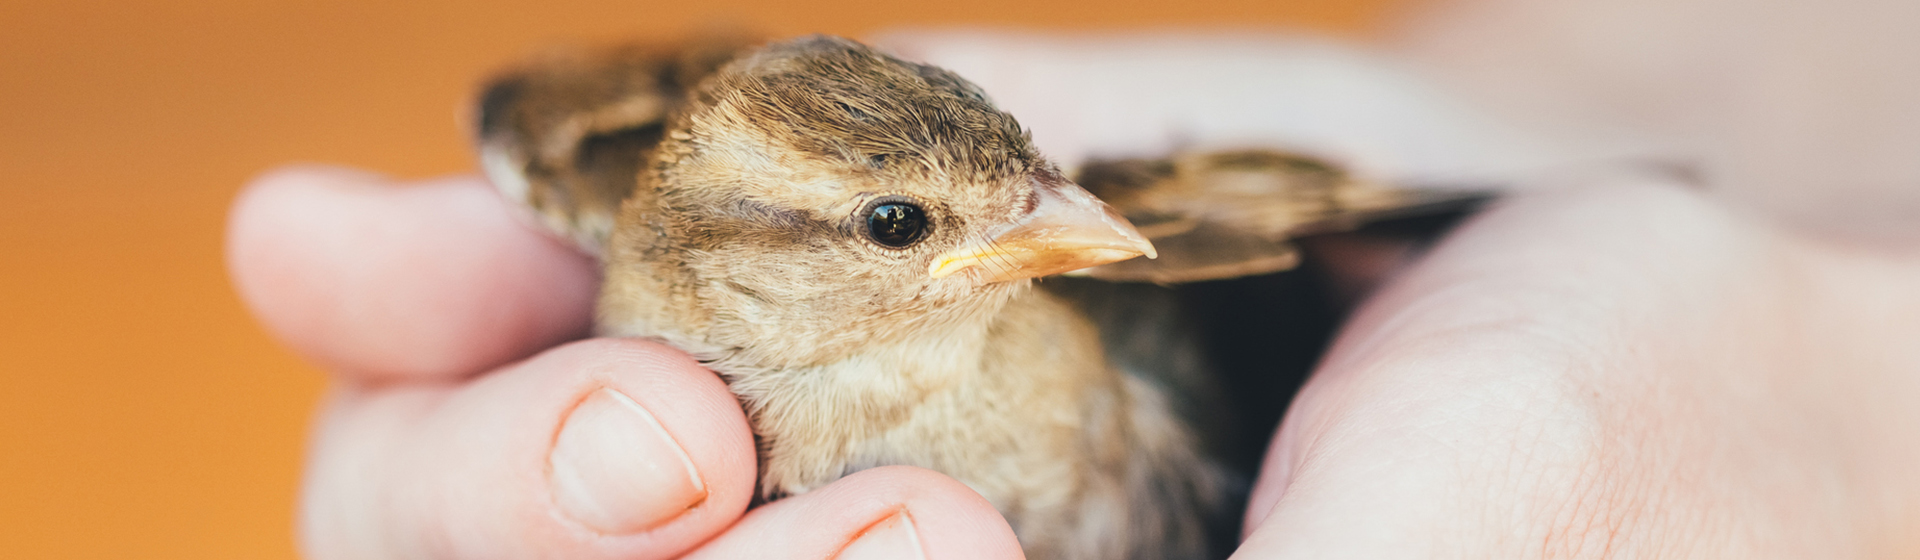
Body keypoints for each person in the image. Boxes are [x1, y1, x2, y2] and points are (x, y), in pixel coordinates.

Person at [227, 8, 1920, 558]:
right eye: (906, 230)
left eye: (1041, 192)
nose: (1071, 235)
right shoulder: (588, 211)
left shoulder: (1128, 336)